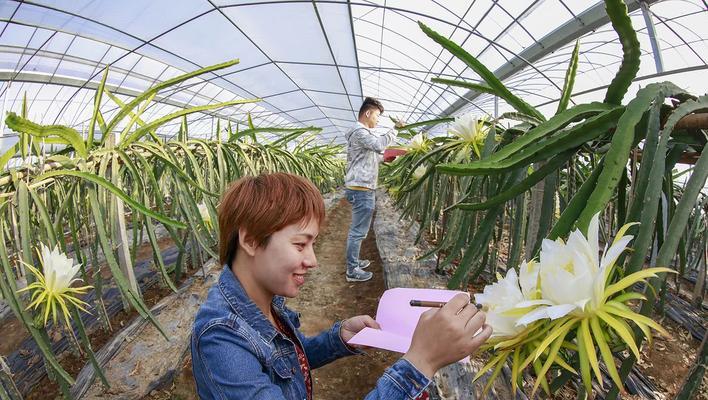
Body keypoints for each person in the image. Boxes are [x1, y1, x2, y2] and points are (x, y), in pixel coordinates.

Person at [191, 172, 493, 400]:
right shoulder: (221, 340)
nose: (312, 260)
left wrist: (338, 340)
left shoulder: (259, 303)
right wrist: (421, 362)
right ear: (251, 240)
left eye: (313, 244)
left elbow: (284, 361)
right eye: (300, 244)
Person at [344, 97, 402, 282]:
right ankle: (352, 270)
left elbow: (367, 157)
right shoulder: (360, 132)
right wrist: (396, 130)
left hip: (361, 186)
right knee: (358, 231)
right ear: (367, 113)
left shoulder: (359, 134)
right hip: (361, 188)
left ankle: (355, 262)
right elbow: (378, 145)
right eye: (377, 115)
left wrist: (384, 159)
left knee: (359, 230)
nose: (377, 120)